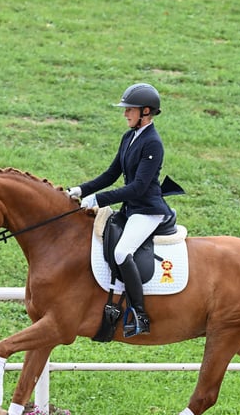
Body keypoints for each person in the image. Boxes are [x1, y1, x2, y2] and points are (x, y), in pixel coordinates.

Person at [68, 82, 174, 337]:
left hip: (147, 210)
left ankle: (139, 314)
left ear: (146, 112)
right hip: (131, 209)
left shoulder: (153, 143)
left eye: (130, 110)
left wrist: (98, 200)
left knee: (121, 251)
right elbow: (112, 173)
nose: (126, 114)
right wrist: (80, 190)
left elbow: (138, 188)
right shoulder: (129, 137)